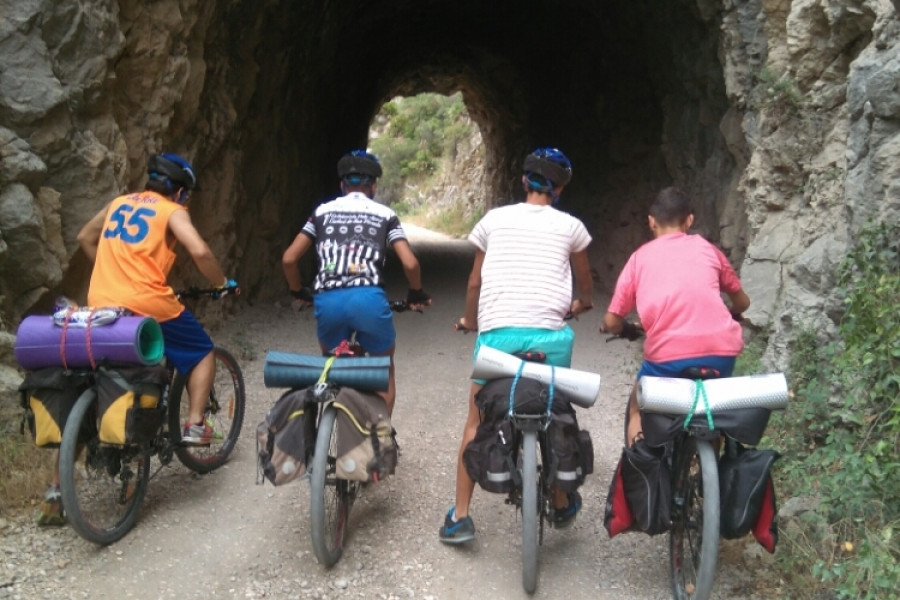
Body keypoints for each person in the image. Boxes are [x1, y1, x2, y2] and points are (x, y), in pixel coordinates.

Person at [438, 147, 594, 545]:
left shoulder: (493, 220)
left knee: (475, 421)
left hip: (497, 339)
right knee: (557, 411)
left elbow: (475, 282)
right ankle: (560, 501)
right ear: (558, 189)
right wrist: (580, 305)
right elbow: (585, 284)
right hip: (550, 339)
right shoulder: (571, 227)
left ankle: (460, 517)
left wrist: (472, 322)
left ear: (524, 181)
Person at [77, 152, 236, 444]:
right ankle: (196, 424)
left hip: (101, 302)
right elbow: (200, 252)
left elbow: (85, 237)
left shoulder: (118, 203)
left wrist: (113, 271)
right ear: (179, 191)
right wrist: (222, 283)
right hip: (147, 302)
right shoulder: (171, 211)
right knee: (202, 351)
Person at [281, 149, 431, 415]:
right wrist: (416, 292)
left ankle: (330, 412)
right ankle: (380, 437)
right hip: (368, 300)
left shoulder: (321, 212)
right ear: (373, 186)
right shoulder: (384, 214)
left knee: (331, 362)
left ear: (342, 184)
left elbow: (289, 259)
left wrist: (298, 290)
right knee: (384, 367)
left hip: (328, 300)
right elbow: (410, 264)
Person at [600, 186, 751, 447]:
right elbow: (743, 301)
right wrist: (732, 313)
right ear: (689, 220)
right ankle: (708, 475)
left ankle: (640, 474)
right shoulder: (708, 250)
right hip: (721, 354)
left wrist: (623, 328)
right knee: (711, 411)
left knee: (637, 406)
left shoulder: (639, 259)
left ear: (651, 222)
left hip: (667, 360)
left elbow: (612, 321)